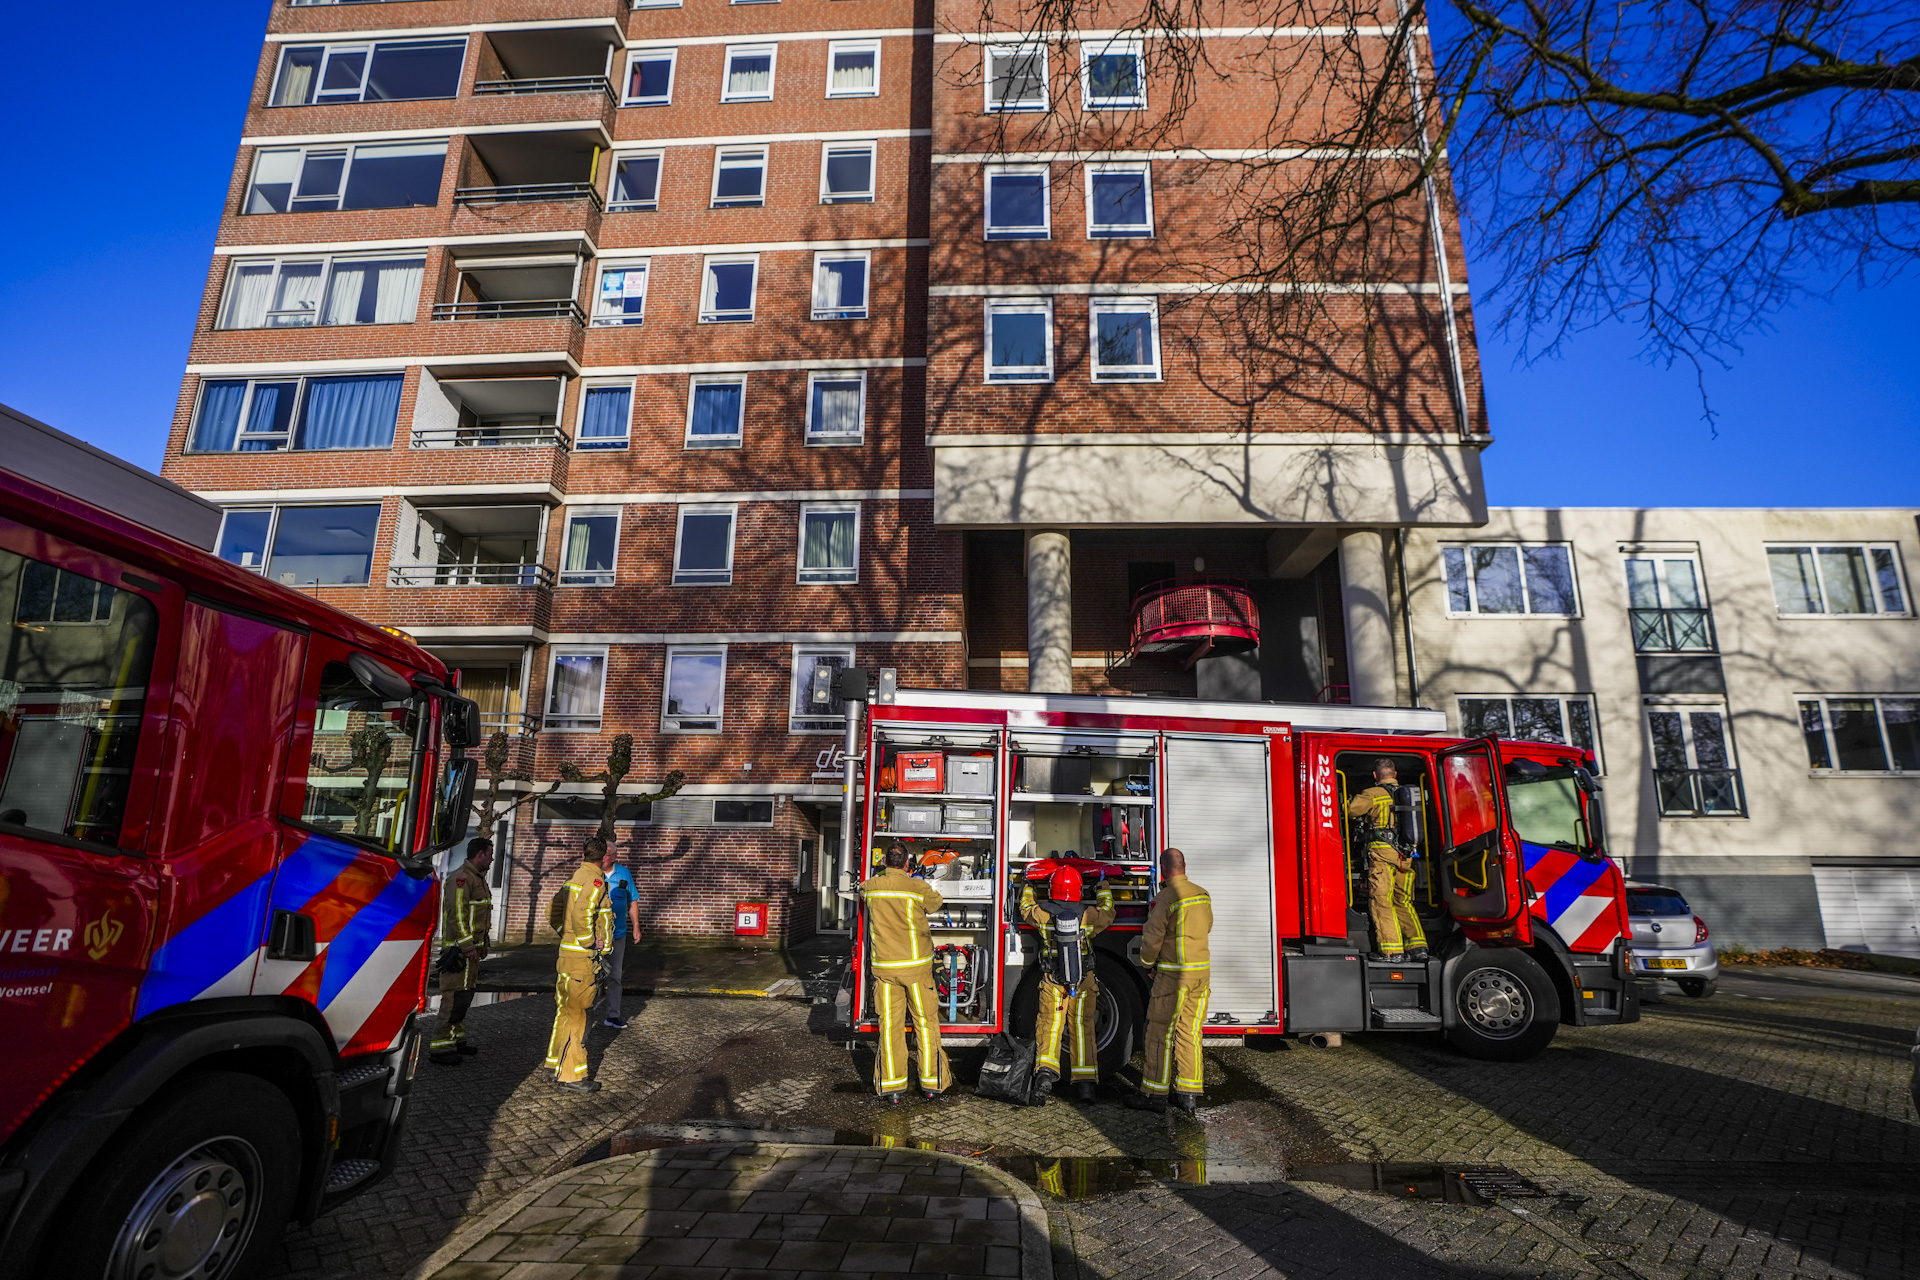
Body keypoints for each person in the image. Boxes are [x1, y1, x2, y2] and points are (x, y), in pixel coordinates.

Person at [860, 843, 950, 1103]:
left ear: (885, 862)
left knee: (890, 1027)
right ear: (907, 864)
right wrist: (916, 880)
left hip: (886, 971)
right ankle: (931, 1084)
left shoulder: (871, 887)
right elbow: (936, 903)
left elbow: (863, 888)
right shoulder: (917, 888)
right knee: (926, 1024)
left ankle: (893, 1089)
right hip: (917, 971)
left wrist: (883, 876)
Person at [1020, 863, 1115, 1104]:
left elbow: (1025, 908)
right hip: (1084, 981)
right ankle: (1085, 1088)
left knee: (1050, 1027)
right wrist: (1102, 885)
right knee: (1082, 1028)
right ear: (1078, 890)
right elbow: (1109, 911)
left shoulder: (1042, 913)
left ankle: (1044, 1079)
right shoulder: (1089, 915)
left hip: (1053, 981)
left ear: (1052, 890)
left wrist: (1028, 886)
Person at [1126, 848, 1212, 1115]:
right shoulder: (1202, 894)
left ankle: (1154, 1094)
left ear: (1163, 869)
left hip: (1174, 978)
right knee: (1189, 1032)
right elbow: (1207, 926)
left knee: (1159, 1033)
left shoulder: (1165, 899)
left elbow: (1152, 939)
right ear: (1184, 865)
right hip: (1201, 975)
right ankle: (1188, 1095)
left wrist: (1148, 965)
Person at [547, 837, 614, 1094]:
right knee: (579, 1016)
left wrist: (568, 935)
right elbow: (582, 913)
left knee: (565, 1012)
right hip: (581, 961)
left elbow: (551, 912)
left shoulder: (573, 878)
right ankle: (572, 1076)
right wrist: (588, 942)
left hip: (566, 957)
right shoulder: (595, 881)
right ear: (604, 857)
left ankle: (555, 1064)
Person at [1347, 757, 1427, 963]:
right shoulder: (1408, 795)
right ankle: (1418, 947)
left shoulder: (1373, 794)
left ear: (1375, 775)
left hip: (1382, 856)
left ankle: (1392, 951)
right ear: (1395, 774)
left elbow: (1350, 810)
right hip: (1405, 857)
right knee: (1404, 900)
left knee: (1382, 900)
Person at [428, 837, 494, 1065]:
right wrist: (467, 947)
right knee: (453, 997)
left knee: (464, 996)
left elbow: (480, 916)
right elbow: (457, 916)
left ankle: (456, 1041)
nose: (492, 858)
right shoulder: (461, 878)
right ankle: (440, 1047)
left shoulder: (477, 879)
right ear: (480, 855)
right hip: (458, 952)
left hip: (471, 951)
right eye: (490, 853)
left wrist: (483, 944)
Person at [599, 853, 641, 1029]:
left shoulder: (624, 873)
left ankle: (612, 1015)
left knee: (615, 976)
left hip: (618, 934)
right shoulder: (592, 874)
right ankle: (584, 1015)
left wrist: (636, 926)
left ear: (614, 857)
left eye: (607, 855)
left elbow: (632, 902)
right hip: (598, 937)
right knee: (591, 976)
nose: (603, 858)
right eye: (601, 854)